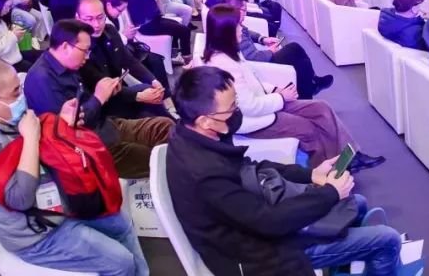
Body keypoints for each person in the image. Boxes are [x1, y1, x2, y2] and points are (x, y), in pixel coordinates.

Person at [167, 66, 403, 276]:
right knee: (387, 239)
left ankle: (344, 258)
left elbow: (251, 168)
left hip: (254, 219)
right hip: (255, 254)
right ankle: (361, 251)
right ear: (205, 121)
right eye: (232, 108)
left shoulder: (197, 135)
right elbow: (268, 222)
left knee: (356, 203)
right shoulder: (205, 173)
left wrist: (311, 174)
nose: (237, 111)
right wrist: (330, 193)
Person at [0, 56, 148, 275]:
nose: (21, 99)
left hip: (57, 201)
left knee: (122, 224)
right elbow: (20, 199)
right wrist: (31, 137)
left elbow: (32, 143)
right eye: (15, 93)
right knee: (121, 262)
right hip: (36, 233)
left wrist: (60, 122)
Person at [203, 5, 382, 169]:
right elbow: (249, 107)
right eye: (238, 25)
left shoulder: (231, 52)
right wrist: (281, 98)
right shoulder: (224, 64)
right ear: (226, 31)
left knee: (321, 108)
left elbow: (252, 80)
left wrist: (275, 90)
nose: (242, 28)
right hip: (253, 121)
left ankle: (351, 157)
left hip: (267, 103)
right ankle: (324, 175)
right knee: (308, 128)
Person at [24, 19, 173, 178]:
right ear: (66, 47)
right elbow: (68, 131)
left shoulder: (70, 65)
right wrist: (99, 98)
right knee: (161, 157)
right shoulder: (42, 80)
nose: (87, 57)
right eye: (84, 51)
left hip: (106, 126)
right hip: (92, 148)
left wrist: (105, 92)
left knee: (165, 127)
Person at [75, 0, 170, 119]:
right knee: (150, 109)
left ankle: (172, 120)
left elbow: (128, 60)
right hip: (101, 105)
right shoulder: (78, 47)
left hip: (120, 92)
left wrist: (153, 80)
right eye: (89, 19)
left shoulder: (110, 31)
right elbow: (98, 82)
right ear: (78, 18)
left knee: (152, 91)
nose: (96, 24)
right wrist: (139, 96)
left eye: (100, 17)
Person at [223, 0, 332, 98]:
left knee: (300, 59)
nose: (246, 13)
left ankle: (310, 86)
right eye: (244, 10)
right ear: (235, 9)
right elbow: (253, 57)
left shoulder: (231, 22)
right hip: (259, 64)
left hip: (259, 57)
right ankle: (311, 85)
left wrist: (263, 39)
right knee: (294, 49)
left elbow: (247, 32)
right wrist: (270, 51)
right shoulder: (233, 29)